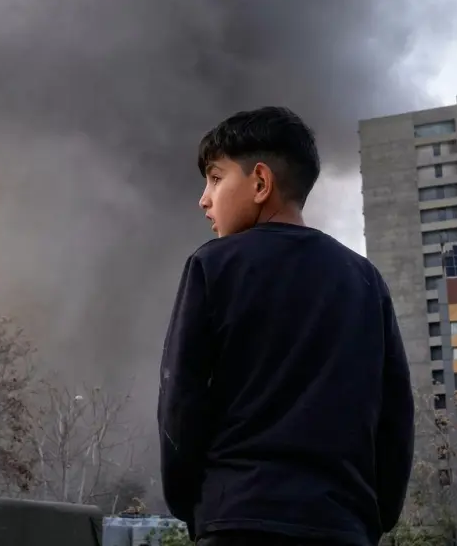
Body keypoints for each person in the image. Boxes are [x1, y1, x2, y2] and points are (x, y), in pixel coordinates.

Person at [159, 106, 414, 546]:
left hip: (238, 518)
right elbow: (395, 416)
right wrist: (375, 513)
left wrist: (196, 505)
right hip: (342, 524)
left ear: (260, 183)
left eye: (215, 178)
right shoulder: (365, 280)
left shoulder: (212, 266)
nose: (204, 199)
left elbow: (180, 401)